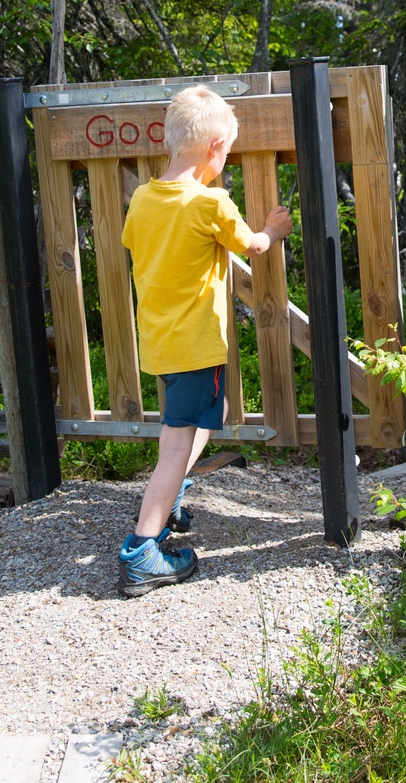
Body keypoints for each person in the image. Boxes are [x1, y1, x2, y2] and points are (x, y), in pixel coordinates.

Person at [117, 85, 292, 597]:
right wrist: (273, 229)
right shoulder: (210, 203)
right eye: (228, 152)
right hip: (197, 345)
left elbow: (134, 242)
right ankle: (142, 551)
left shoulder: (143, 200)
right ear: (215, 147)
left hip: (161, 343)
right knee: (178, 442)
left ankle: (166, 500)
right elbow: (254, 246)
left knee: (189, 428)